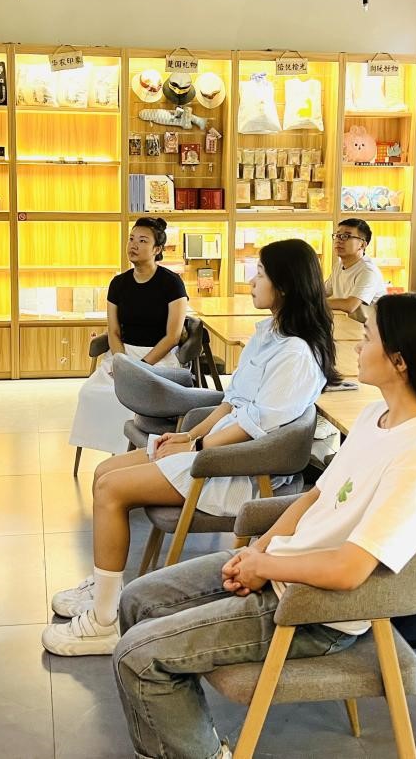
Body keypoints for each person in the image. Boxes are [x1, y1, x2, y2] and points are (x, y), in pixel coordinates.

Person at [110, 293, 416, 759]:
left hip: (315, 612)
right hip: (283, 570)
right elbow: (315, 497)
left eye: (367, 337)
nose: (356, 346)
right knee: (136, 601)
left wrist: (266, 566)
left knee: (138, 658)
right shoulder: (377, 417)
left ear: (400, 361)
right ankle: (171, 744)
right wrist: (258, 552)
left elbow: (349, 570)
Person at [43, 239, 338, 657]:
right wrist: (187, 437)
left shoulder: (296, 353)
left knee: (111, 490)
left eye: (260, 275)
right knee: (104, 472)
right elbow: (233, 403)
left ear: (285, 286)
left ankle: (105, 622)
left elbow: (255, 427)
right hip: (213, 451)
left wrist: (196, 445)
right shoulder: (270, 334)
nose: (251, 282)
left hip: (236, 469)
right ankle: (105, 586)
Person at [68, 218, 189, 456]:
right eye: (131, 239)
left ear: (157, 249)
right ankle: (117, 454)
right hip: (123, 353)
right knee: (92, 392)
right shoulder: (118, 284)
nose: (133, 245)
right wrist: (121, 362)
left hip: (159, 356)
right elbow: (113, 331)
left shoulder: (172, 283)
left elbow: (173, 336)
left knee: (134, 399)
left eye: (142, 241)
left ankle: (133, 454)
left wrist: (141, 367)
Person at [326, 218, 387, 340]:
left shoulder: (368, 271)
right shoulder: (338, 266)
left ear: (363, 244)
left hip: (373, 334)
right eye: (337, 235)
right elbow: (322, 292)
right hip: (351, 327)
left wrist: (313, 303)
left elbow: (350, 305)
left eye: (346, 236)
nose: (339, 240)